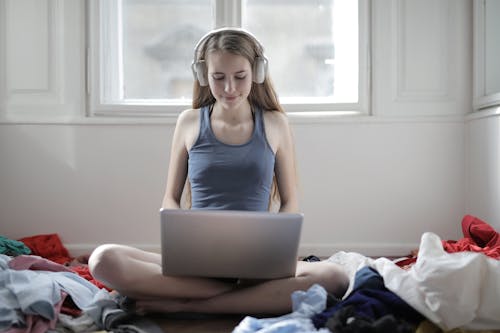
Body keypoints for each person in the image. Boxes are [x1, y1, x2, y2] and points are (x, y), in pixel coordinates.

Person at [88, 27, 349, 315]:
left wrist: (276, 256)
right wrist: (181, 244)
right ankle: (246, 297)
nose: (229, 89)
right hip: (197, 263)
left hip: (257, 262)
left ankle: (189, 305)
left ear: (257, 72)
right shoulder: (188, 122)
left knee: (335, 277)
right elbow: (170, 199)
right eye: (218, 78)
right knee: (103, 260)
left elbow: (290, 201)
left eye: (240, 77)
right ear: (202, 76)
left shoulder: (275, 124)